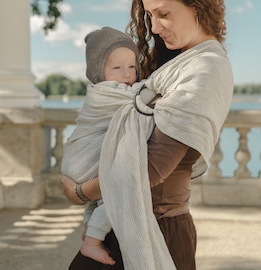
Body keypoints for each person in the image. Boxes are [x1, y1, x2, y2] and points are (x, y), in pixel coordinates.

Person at [60, 0, 234, 269]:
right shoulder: (177, 60)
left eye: (163, 14)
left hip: (156, 224)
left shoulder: (205, 68)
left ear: (198, 7)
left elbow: (150, 168)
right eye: (149, 15)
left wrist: (80, 193)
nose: (154, 26)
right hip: (128, 213)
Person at [61, 26, 145, 265]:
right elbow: (140, 98)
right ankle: (92, 241)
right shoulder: (107, 92)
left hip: (75, 161)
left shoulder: (104, 89)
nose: (127, 74)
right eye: (117, 68)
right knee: (118, 190)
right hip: (84, 158)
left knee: (99, 201)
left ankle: (89, 228)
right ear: (99, 72)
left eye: (131, 67)